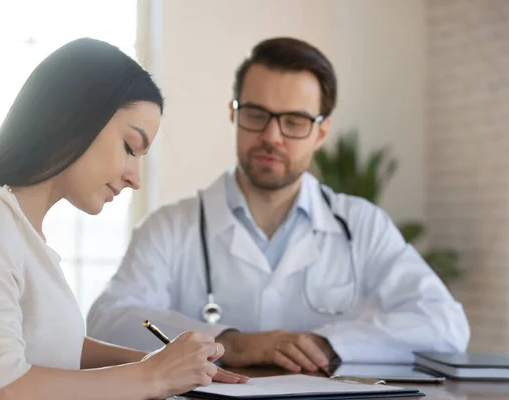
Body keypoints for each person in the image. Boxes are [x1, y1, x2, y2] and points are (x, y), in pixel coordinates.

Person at [86, 37, 471, 373]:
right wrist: (231, 343)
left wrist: (329, 344)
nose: (272, 136)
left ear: (321, 132)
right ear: (234, 114)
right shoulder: (171, 226)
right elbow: (109, 320)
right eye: (257, 115)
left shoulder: (363, 225)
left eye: (295, 121)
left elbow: (445, 324)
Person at [0, 38, 246, 400]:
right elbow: (0, 388)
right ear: (76, 117)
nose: (136, 177)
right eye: (131, 147)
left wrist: (162, 362)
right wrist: (153, 376)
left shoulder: (18, 227)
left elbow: (54, 345)